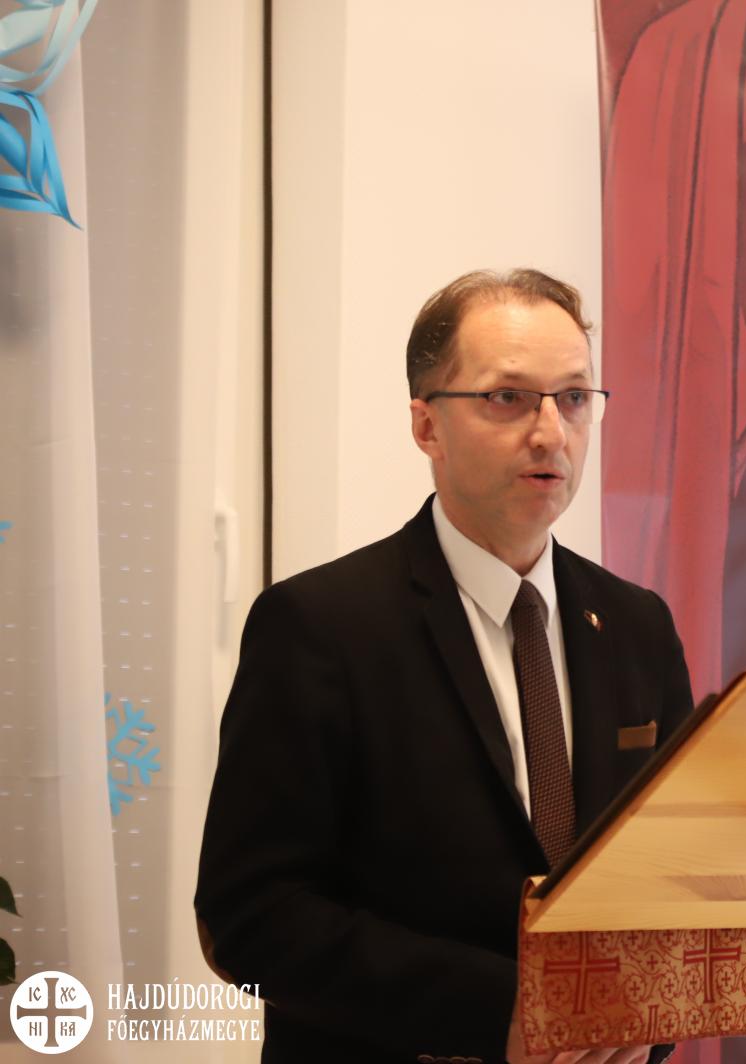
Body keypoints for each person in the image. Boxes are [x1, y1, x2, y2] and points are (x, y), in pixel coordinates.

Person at [195, 268, 693, 1064]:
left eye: (574, 398)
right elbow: (250, 916)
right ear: (427, 425)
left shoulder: (637, 626)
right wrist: (503, 1014)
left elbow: (678, 883)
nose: (551, 433)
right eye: (508, 398)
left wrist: (647, 1020)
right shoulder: (321, 626)